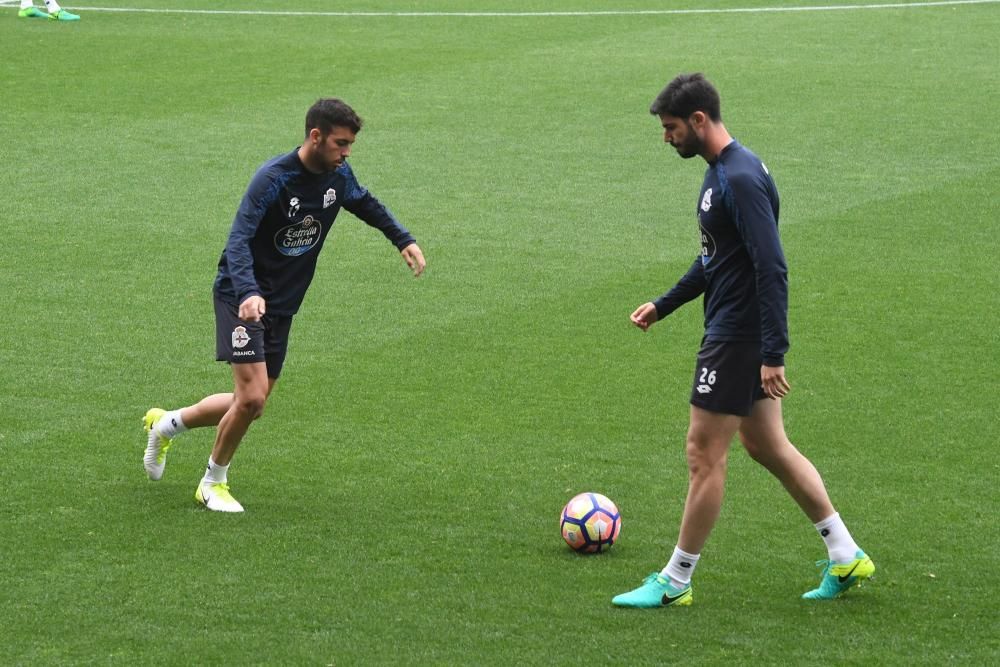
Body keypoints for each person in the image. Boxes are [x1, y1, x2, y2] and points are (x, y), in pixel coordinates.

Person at [612, 73, 873, 607]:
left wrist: (773, 353)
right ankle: (846, 555)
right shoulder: (724, 173)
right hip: (736, 329)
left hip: (736, 336)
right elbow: (717, 259)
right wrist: (664, 304)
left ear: (699, 120)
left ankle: (675, 581)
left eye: (671, 128)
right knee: (766, 444)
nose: (667, 138)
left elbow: (771, 266)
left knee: (704, 455)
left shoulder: (740, 179)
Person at [142, 98, 426, 513]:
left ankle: (167, 424)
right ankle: (211, 483)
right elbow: (238, 238)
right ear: (316, 136)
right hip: (241, 298)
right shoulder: (273, 179)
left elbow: (365, 202)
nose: (346, 153)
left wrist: (403, 238)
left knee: (251, 404)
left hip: (283, 305)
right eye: (340, 143)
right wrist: (249, 292)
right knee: (252, 398)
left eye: (350, 146)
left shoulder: (338, 175)